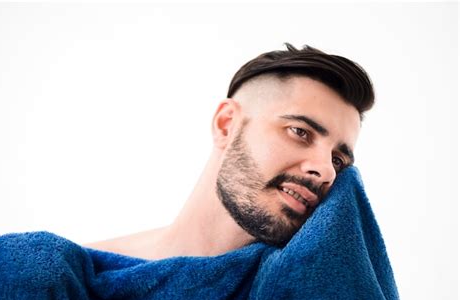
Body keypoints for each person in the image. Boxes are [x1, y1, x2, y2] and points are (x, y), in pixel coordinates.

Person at [85, 43, 374, 260]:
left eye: (338, 160)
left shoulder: (310, 294)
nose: (326, 170)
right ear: (226, 125)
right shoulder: (80, 275)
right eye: (300, 132)